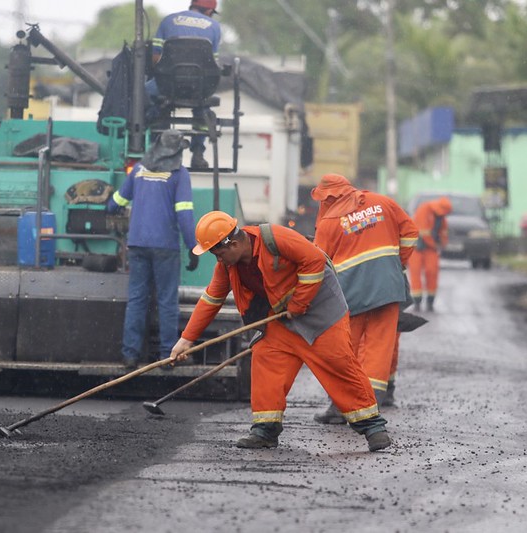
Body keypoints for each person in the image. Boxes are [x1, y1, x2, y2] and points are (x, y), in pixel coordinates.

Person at [169, 211, 392, 452]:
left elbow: (315, 260)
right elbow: (212, 299)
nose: (218, 259)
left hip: (320, 312)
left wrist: (299, 303)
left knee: (338, 363)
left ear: (233, 244)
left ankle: (372, 427)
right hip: (279, 317)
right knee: (266, 362)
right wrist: (186, 339)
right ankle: (265, 430)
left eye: (218, 252)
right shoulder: (228, 266)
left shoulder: (275, 238)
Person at [311, 173, 418, 423]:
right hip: (388, 288)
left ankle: (340, 408)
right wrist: (396, 262)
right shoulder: (384, 203)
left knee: (344, 349)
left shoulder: (329, 222)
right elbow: (411, 233)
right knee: (380, 346)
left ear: (327, 197)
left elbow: (317, 262)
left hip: (350, 294)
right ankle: (370, 408)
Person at [107, 129, 200, 369]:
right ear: (178, 151)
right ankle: (166, 356)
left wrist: (110, 207)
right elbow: (184, 214)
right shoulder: (179, 174)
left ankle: (130, 355)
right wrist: (193, 247)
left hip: (137, 243)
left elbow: (116, 202)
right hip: (165, 246)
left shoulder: (138, 170)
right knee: (167, 301)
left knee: (137, 299)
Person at [146, 0, 222, 169]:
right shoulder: (215, 27)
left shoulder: (168, 20)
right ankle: (198, 153)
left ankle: (155, 144)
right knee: (203, 108)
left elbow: (155, 57)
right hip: (199, 88)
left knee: (143, 94)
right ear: (209, 11)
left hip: (167, 85)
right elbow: (214, 65)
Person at [408, 196, 452, 312]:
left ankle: (430, 299)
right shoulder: (424, 209)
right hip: (417, 246)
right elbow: (424, 233)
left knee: (432, 271)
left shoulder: (441, 217)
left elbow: (443, 231)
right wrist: (436, 245)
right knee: (415, 271)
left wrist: (442, 243)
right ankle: (417, 300)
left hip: (431, 248)